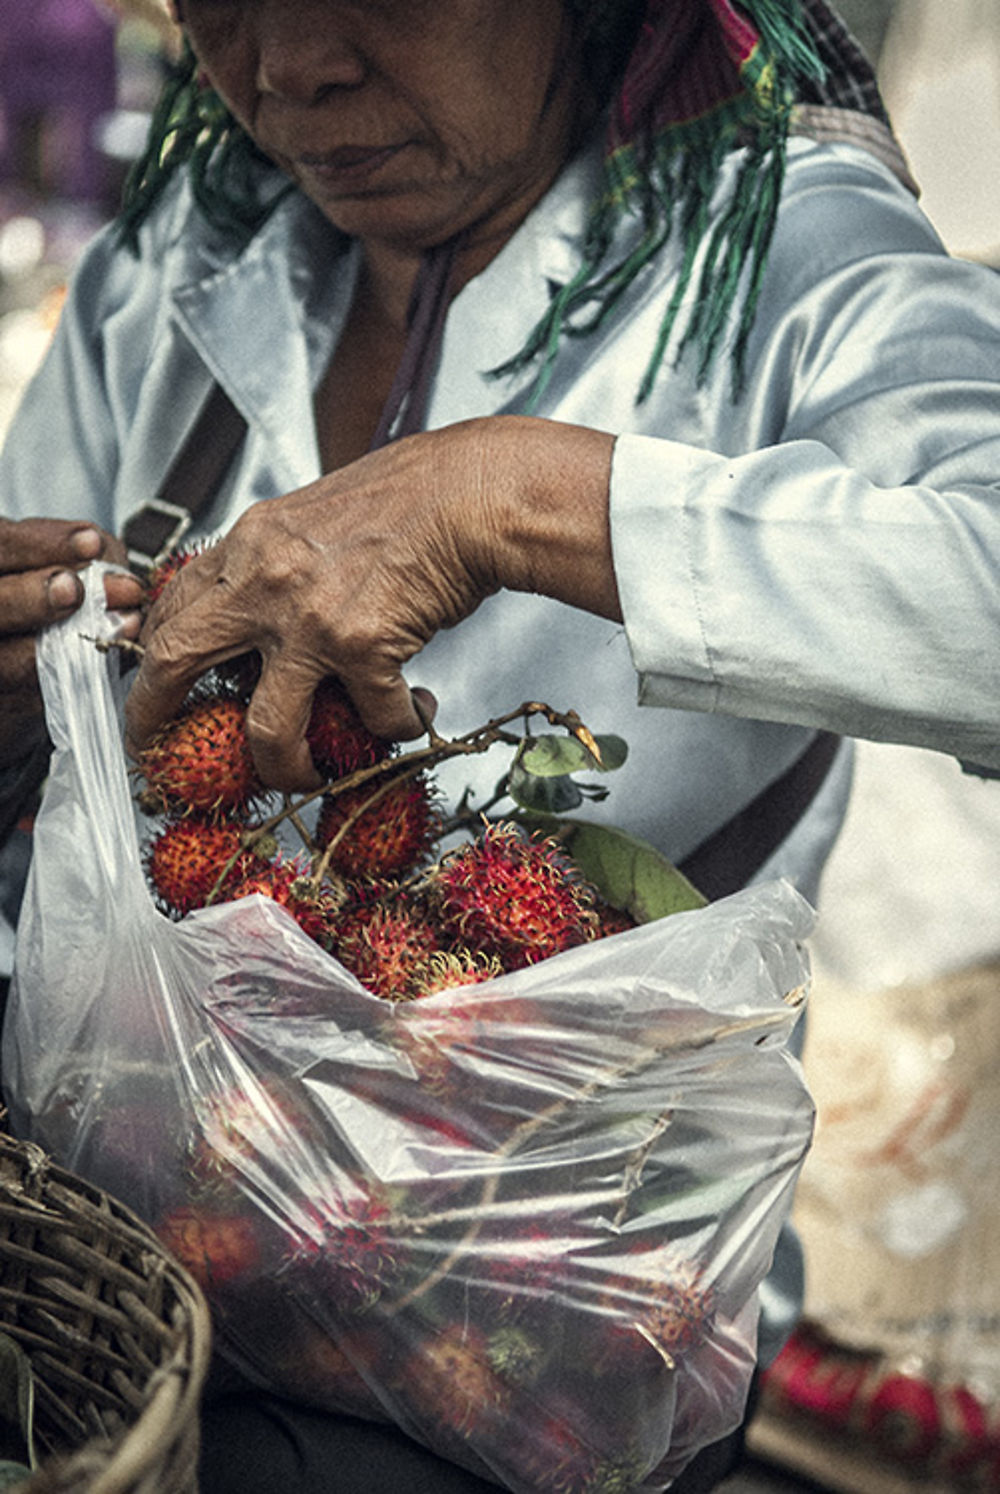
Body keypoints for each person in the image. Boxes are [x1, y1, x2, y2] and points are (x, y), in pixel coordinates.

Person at [0, 0, 998, 1489]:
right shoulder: (182, 250)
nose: (290, 68)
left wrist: (513, 499)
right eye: (219, 4)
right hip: (140, 1216)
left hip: (554, 1297)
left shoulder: (786, 239)